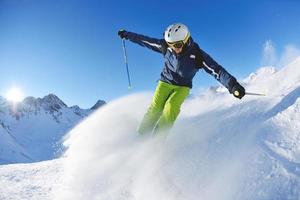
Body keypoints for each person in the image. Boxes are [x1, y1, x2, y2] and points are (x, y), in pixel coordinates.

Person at [118, 23, 245, 136]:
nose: (174, 48)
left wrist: (232, 85)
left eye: (177, 45)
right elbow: (145, 41)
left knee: (171, 107)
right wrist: (127, 35)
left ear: (186, 41)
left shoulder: (198, 55)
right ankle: (141, 135)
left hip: (183, 87)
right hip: (165, 82)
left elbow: (216, 70)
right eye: (171, 45)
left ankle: (157, 140)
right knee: (156, 107)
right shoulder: (166, 47)